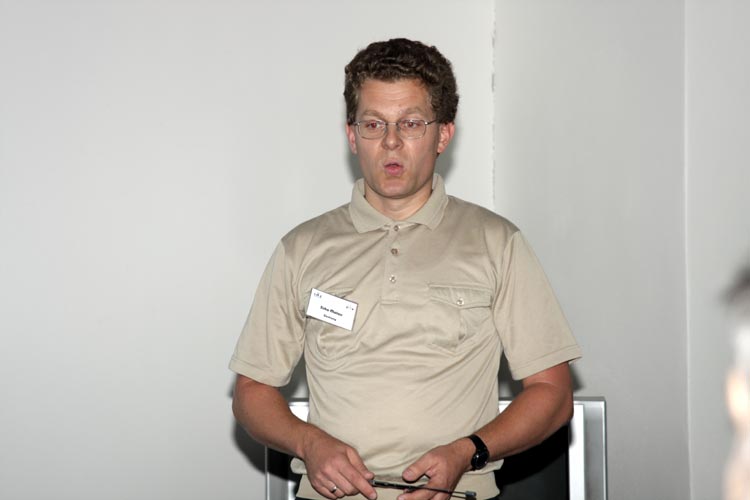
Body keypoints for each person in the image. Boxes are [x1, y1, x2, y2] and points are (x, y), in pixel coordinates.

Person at [230, 38, 581, 500]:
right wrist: (308, 442)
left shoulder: (497, 242)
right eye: (373, 123)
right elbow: (251, 391)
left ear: (443, 135)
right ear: (352, 135)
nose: (391, 141)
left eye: (411, 123)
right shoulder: (301, 248)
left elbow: (553, 394)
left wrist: (468, 452)